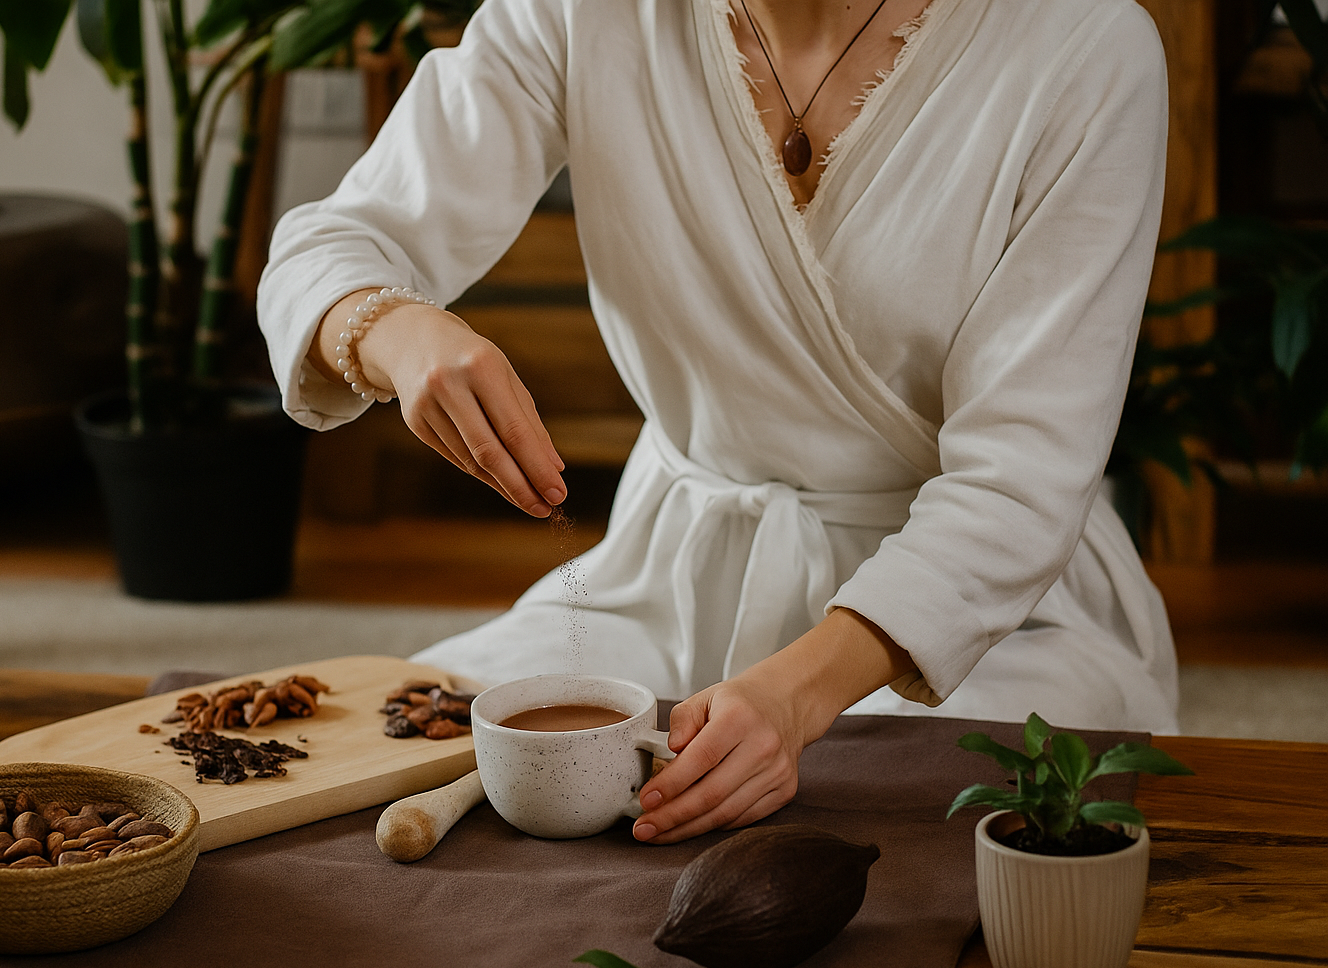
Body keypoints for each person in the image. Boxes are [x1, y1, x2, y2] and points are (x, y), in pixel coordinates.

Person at [259, 0, 1179, 845]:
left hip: (985, 624)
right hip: (673, 584)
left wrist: (797, 697)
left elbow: (1019, 483)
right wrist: (395, 330)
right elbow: (327, 246)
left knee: (915, 832)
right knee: (389, 766)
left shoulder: (1084, 46)